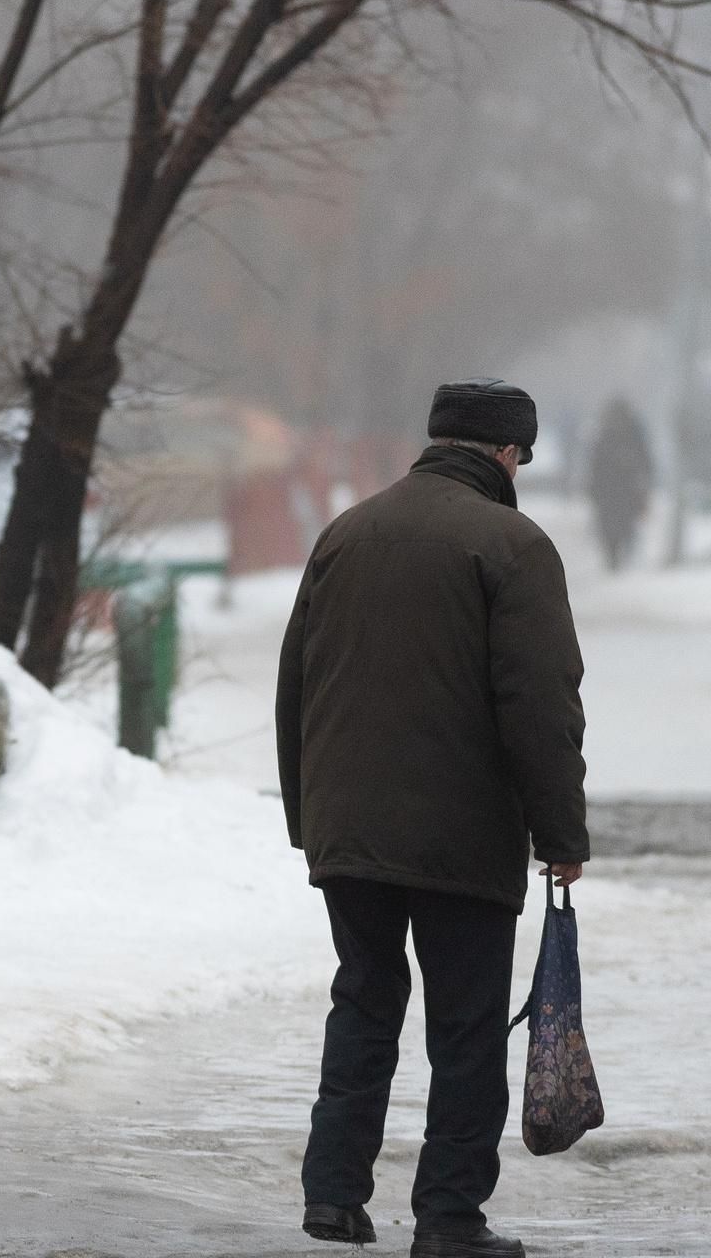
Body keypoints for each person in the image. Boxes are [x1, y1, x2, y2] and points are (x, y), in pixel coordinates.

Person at [277, 377, 590, 1258]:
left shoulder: (346, 532)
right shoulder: (513, 544)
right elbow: (540, 704)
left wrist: (312, 820)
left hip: (351, 837)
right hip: (462, 838)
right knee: (463, 1031)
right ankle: (449, 1219)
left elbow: (295, 681)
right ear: (503, 451)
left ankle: (333, 1198)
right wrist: (561, 835)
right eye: (519, 455)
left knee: (364, 1008)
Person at [585, 397, 654, 571]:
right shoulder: (608, 433)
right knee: (614, 524)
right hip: (613, 488)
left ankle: (618, 555)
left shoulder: (623, 433)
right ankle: (615, 556)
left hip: (619, 488)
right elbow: (596, 463)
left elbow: (645, 460)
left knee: (619, 523)